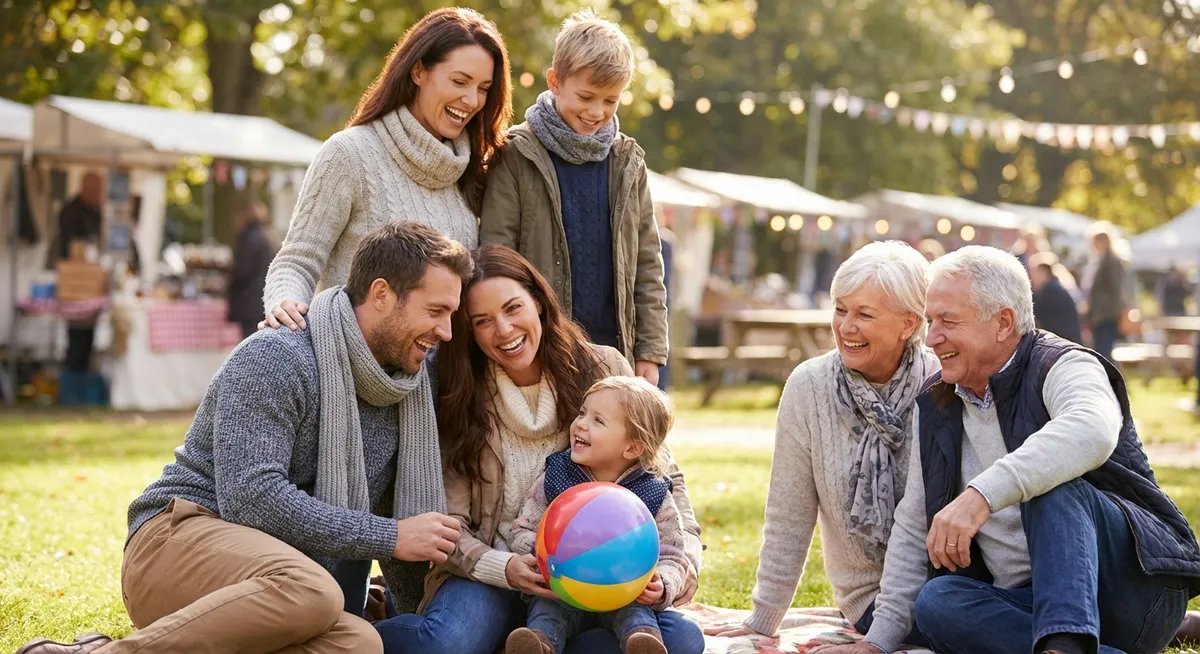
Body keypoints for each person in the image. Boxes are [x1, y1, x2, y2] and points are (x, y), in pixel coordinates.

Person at [16, 222, 475, 654]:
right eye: (435, 311)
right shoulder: (279, 356)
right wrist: (389, 535)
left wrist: (425, 617)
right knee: (313, 590)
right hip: (177, 542)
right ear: (381, 295)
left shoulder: (406, 391)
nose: (445, 332)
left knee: (360, 644)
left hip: (284, 585)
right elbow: (251, 498)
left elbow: (401, 537)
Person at [823, 245, 1200, 654]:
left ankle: (1064, 646)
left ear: (1003, 322)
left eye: (948, 321)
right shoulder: (937, 402)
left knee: (1051, 483)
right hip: (1030, 604)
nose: (932, 339)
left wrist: (982, 495)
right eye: (931, 321)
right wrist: (878, 642)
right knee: (937, 602)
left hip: (1133, 594)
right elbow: (914, 524)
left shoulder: (1064, 365)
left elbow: (1092, 430)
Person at [372, 244, 703, 654]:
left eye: (513, 308)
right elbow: (449, 524)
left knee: (683, 642)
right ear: (470, 333)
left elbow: (664, 480)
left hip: (597, 576)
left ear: (540, 304)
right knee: (445, 644)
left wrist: (675, 576)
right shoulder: (459, 398)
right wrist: (506, 567)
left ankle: (533, 644)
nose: (504, 330)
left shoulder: (603, 369)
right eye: (483, 321)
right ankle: (353, 634)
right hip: (493, 575)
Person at [703, 241, 939, 646]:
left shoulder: (939, 384)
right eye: (840, 309)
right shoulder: (809, 386)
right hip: (872, 600)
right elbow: (788, 513)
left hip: (947, 587)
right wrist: (763, 618)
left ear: (908, 323)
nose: (846, 327)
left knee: (954, 608)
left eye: (864, 314)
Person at [262, 7, 512, 331]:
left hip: (446, 376)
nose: (471, 99)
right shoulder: (349, 154)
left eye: (483, 88)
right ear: (419, 71)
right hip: (358, 368)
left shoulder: (473, 168)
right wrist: (285, 306)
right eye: (460, 81)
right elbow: (297, 261)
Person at [479, 10, 668, 386]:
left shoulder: (627, 161)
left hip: (615, 350)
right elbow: (496, 256)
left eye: (610, 101)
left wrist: (650, 349)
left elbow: (648, 262)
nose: (596, 111)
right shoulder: (517, 154)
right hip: (541, 349)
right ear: (555, 82)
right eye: (586, 96)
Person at [505, 376, 689, 654]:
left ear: (633, 448)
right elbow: (522, 529)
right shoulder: (557, 477)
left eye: (597, 421)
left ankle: (642, 643)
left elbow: (673, 553)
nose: (581, 423)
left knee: (638, 616)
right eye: (582, 413)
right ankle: (539, 644)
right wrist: (542, 552)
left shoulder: (652, 491)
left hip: (624, 591)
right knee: (546, 611)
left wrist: (662, 584)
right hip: (563, 589)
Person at [58, 172, 104, 372]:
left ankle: (82, 371)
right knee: (76, 331)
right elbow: (70, 246)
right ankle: (73, 372)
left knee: (88, 332)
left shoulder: (96, 211)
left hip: (91, 278)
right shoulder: (71, 211)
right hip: (75, 278)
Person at [227, 202, 279, 339]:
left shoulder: (247, 239)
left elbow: (242, 271)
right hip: (266, 295)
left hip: (249, 298)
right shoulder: (269, 236)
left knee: (249, 338)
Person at [1081, 225, 1126, 363]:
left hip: (1106, 316)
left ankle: (1113, 383)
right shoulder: (1098, 261)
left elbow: (1115, 290)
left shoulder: (1111, 262)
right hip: (1098, 316)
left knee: (1104, 354)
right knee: (1100, 352)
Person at [1028, 251, 1082, 344]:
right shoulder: (1055, 286)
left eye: (1034, 273)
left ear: (1044, 272)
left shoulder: (1050, 290)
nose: (1031, 278)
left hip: (1063, 342)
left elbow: (1030, 309)